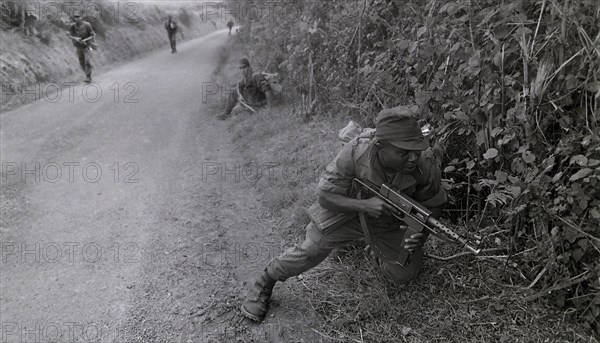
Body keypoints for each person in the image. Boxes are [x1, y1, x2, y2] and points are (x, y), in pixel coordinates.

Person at [240, 106, 447, 322]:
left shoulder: (425, 164)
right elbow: (325, 196)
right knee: (312, 249)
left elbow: (435, 204)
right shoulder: (356, 151)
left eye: (416, 149)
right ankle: (266, 280)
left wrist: (419, 236)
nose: (413, 158)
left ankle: (372, 249)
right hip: (349, 213)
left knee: (404, 275)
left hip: (390, 222)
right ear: (381, 145)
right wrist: (365, 206)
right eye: (403, 152)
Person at [67, 10, 95, 83]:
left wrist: (85, 40)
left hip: (87, 46)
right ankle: (87, 75)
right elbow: (69, 35)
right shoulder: (72, 26)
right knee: (81, 62)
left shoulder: (87, 25)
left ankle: (88, 76)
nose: (77, 18)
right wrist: (75, 38)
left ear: (81, 17)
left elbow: (92, 35)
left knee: (88, 61)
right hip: (79, 47)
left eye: (78, 16)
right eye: (75, 17)